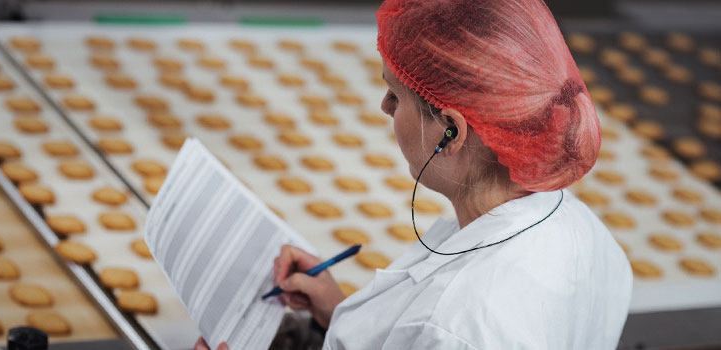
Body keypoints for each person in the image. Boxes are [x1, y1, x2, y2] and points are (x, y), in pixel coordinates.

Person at [196, 0, 632, 349]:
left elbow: (440, 329)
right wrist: (344, 315)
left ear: (451, 130)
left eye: (396, 94)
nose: (384, 107)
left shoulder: (450, 325)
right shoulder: (584, 232)